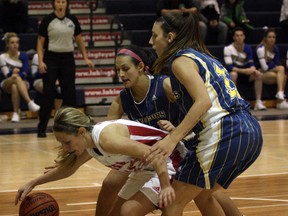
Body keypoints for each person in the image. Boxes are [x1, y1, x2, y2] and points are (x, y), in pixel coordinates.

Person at [98, 45, 243, 215]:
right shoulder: (122, 100)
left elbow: (198, 109)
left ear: (140, 67)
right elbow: (106, 131)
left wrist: (177, 131)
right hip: (149, 156)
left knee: (205, 191)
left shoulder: (165, 85)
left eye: (125, 69)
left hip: (181, 149)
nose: (121, 75)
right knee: (110, 183)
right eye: (118, 70)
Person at [146, 12, 263, 215]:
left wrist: (172, 138)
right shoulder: (203, 56)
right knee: (203, 194)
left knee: (173, 204)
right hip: (250, 131)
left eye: (155, 35)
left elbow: (204, 102)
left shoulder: (179, 60)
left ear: (170, 37)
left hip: (226, 131)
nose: (151, 41)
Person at [15, 107, 187, 216]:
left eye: (67, 142)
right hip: (146, 168)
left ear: (81, 131)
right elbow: (67, 169)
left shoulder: (107, 139)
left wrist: (165, 186)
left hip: (171, 160)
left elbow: (155, 154)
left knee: (129, 211)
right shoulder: (88, 144)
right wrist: (33, 183)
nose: (66, 148)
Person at [36, 0, 94, 138]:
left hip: (67, 58)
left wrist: (85, 57)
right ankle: (41, 128)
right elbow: (40, 41)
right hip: (51, 58)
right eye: (58, 1)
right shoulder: (48, 20)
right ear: (54, 4)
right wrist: (40, 61)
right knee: (48, 93)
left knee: (69, 94)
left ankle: (71, 126)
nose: (61, 4)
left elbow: (79, 39)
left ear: (66, 4)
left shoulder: (72, 19)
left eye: (63, 1)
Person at [0, 32, 40, 122]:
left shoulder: (23, 55)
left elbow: (25, 73)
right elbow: (7, 74)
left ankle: (15, 114)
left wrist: (16, 74)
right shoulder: (2, 57)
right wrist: (13, 74)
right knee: (15, 79)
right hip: (6, 82)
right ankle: (29, 102)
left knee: (15, 86)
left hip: (23, 82)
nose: (15, 45)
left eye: (17, 42)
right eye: (12, 43)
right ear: (7, 45)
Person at [223, 27, 266, 110]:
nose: (239, 37)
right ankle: (234, 101)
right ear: (234, 37)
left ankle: (258, 102)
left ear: (244, 37)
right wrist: (245, 71)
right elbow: (229, 67)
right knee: (233, 74)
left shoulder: (248, 48)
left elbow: (251, 63)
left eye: (241, 35)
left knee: (258, 74)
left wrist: (253, 70)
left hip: (246, 74)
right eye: (237, 35)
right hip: (235, 74)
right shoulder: (228, 49)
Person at [255, 27, 288, 109]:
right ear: (265, 38)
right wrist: (273, 65)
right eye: (269, 37)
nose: (272, 39)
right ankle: (280, 94)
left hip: (269, 73)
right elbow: (264, 67)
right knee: (281, 69)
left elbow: (276, 63)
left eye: (274, 37)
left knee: (282, 73)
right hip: (259, 73)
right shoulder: (260, 49)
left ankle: (280, 100)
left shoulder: (275, 49)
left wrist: (273, 65)